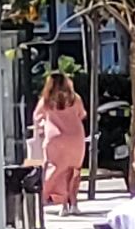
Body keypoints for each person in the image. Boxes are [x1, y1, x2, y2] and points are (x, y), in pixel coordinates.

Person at [32, 72, 91, 213]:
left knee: (57, 170)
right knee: (74, 170)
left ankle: (61, 202)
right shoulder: (74, 98)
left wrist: (43, 124)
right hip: (75, 137)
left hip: (55, 137)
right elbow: (82, 114)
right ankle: (74, 203)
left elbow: (37, 117)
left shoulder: (46, 100)